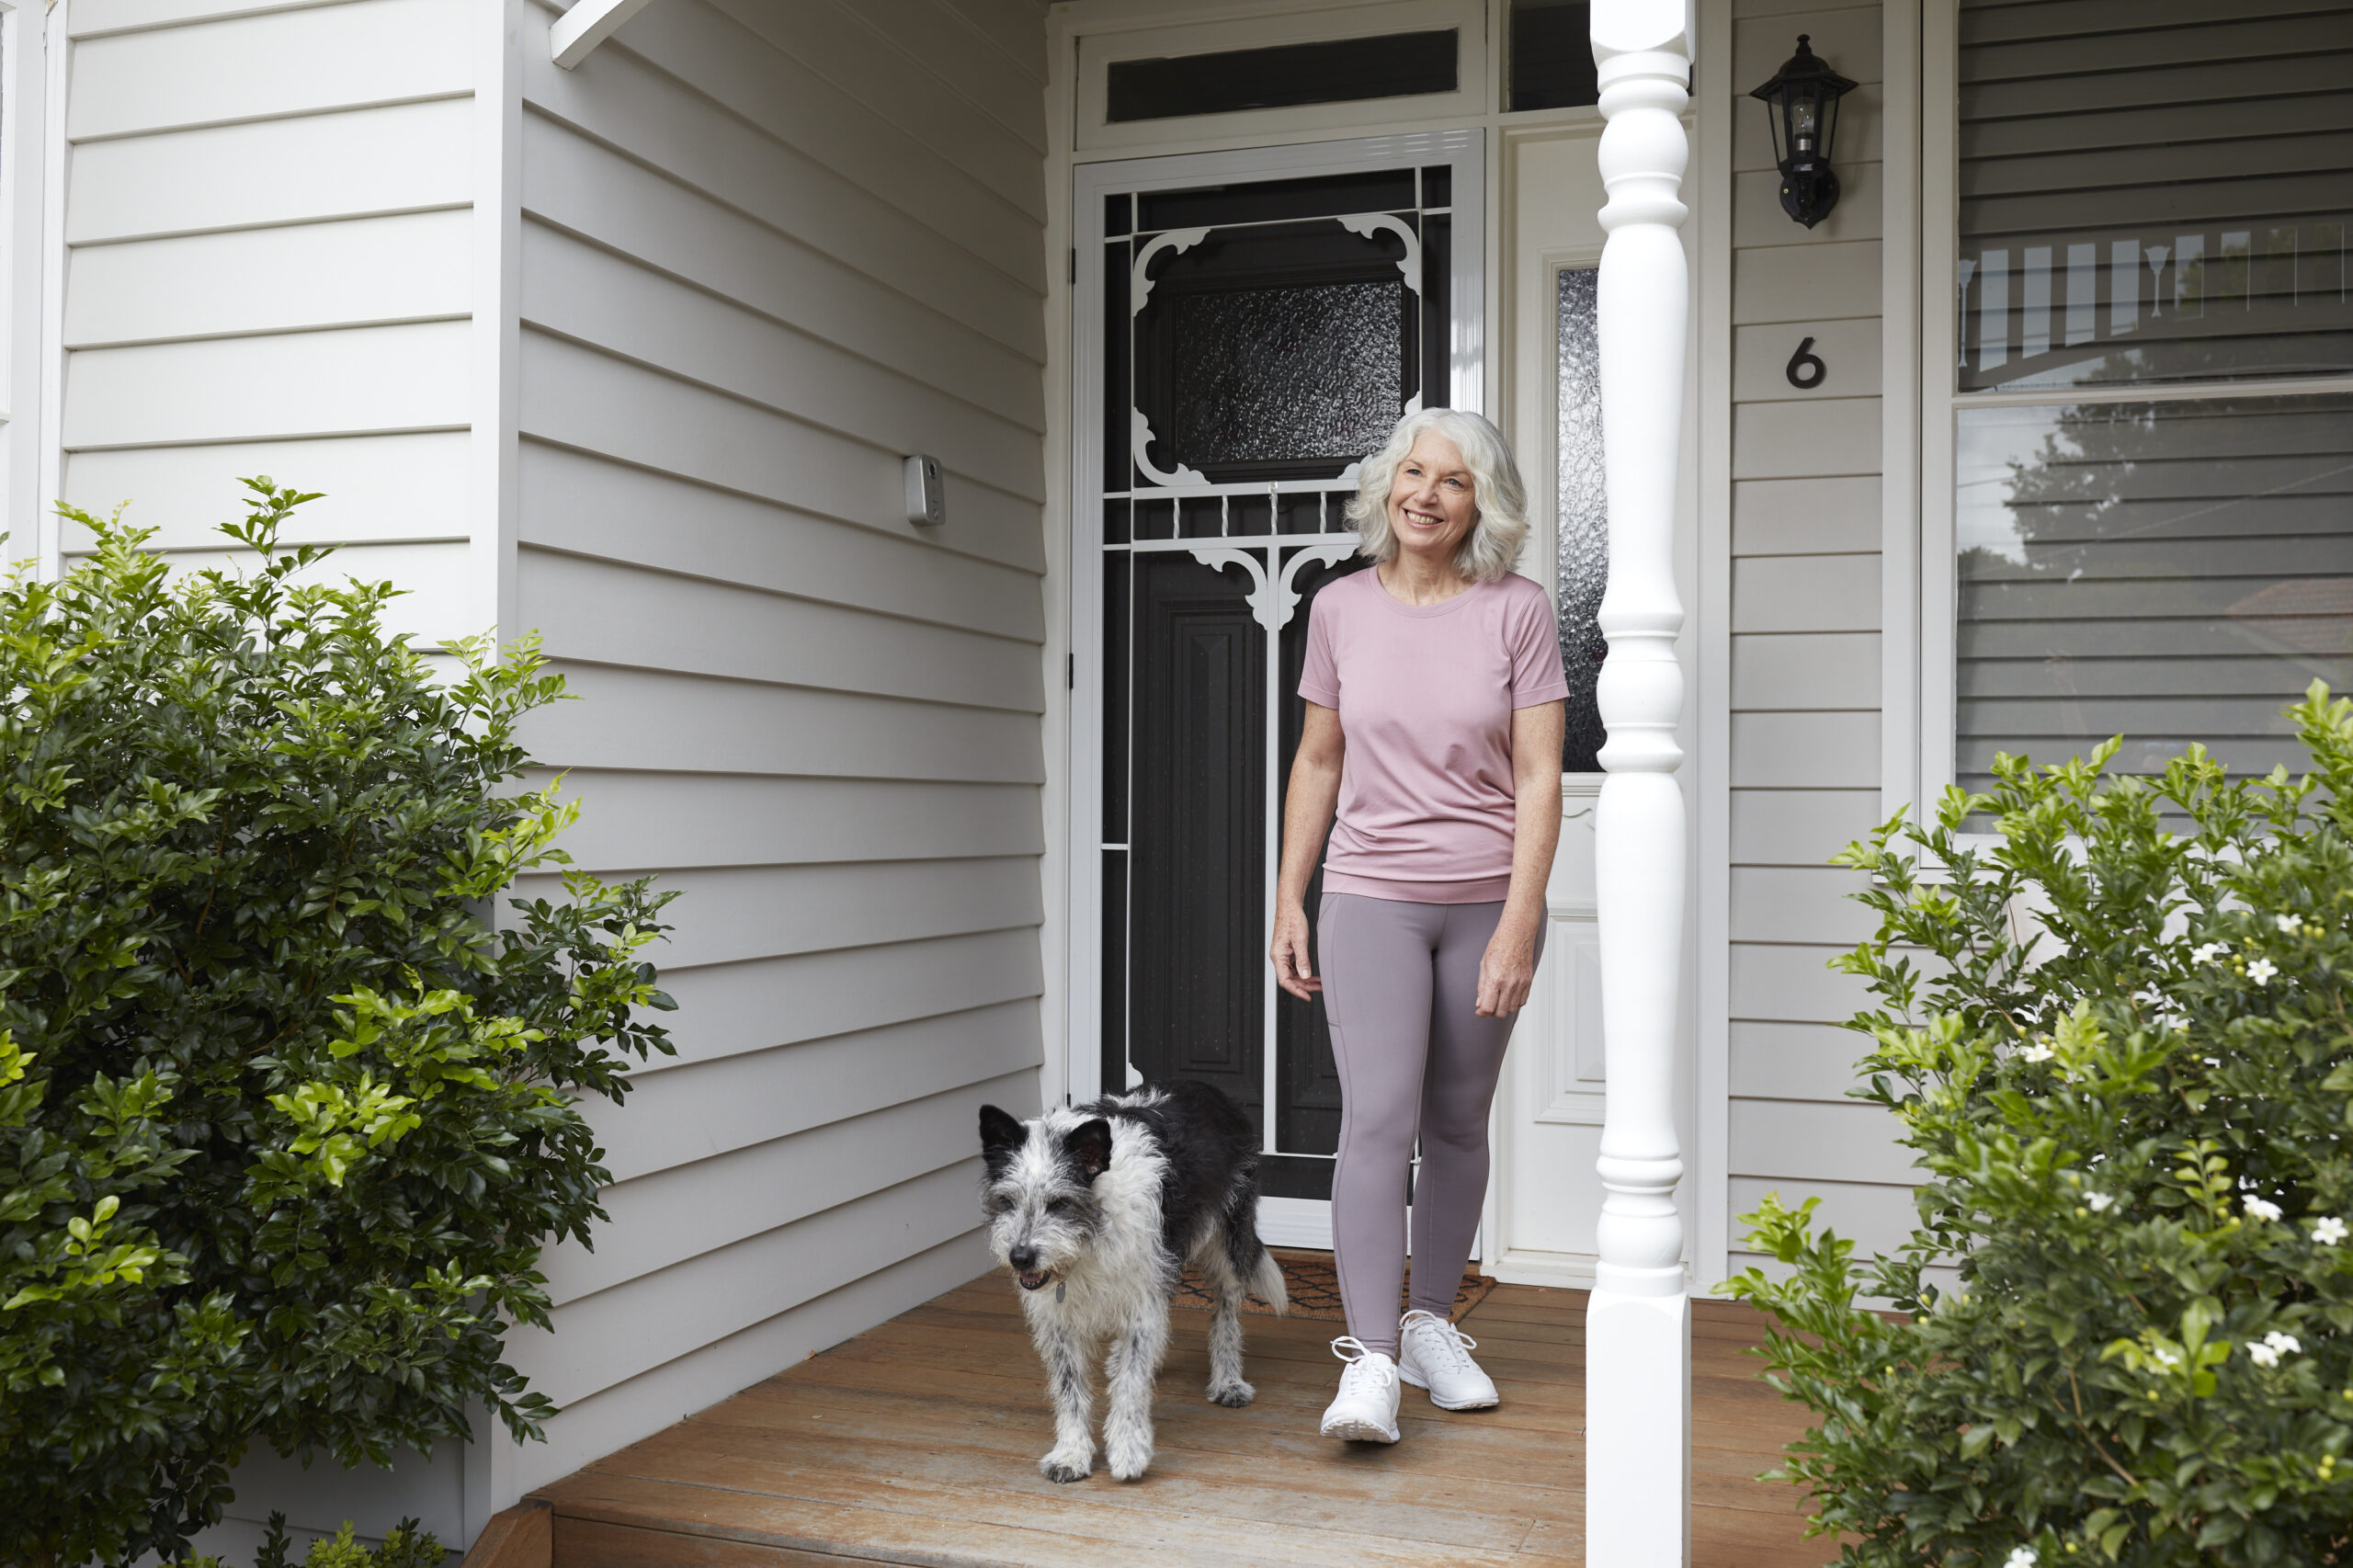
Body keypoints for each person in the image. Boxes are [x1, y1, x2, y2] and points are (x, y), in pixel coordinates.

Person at [1271, 407, 1567, 1445]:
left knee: (1454, 1121)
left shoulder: (1517, 611)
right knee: (1377, 1119)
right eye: (1411, 472)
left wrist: (1520, 921)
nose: (1426, 493)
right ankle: (1370, 1365)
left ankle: (1432, 1321)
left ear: (1479, 500)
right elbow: (1318, 759)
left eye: (1451, 479)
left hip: (1484, 898)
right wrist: (1287, 896)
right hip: (1370, 899)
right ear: (1386, 487)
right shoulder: (1340, 608)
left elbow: (1539, 775)